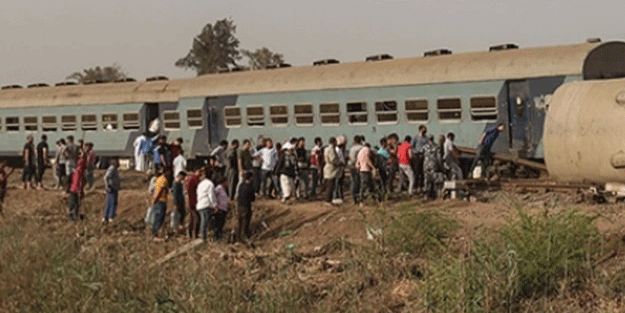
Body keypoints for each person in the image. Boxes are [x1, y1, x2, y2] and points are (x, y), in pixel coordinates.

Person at [421, 135, 446, 199]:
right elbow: (439, 158)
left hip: (426, 165)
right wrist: (441, 166)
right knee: (435, 179)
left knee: (427, 180)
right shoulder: (437, 147)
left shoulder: (424, 147)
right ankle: (436, 194)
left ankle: (426, 195)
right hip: (433, 165)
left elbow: (422, 155)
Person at [196, 167, 216, 241]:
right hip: (206, 204)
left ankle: (202, 235)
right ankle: (203, 236)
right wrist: (215, 205)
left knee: (203, 220)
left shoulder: (201, 184)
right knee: (205, 221)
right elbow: (212, 196)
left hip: (199, 204)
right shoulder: (210, 184)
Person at [151, 167, 169, 240]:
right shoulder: (163, 180)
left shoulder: (158, 179)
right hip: (161, 200)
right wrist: (156, 199)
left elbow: (155, 190)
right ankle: (156, 234)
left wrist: (154, 198)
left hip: (159, 200)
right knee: (159, 217)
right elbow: (160, 190)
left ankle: (156, 233)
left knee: (157, 217)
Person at [236, 171, 255, 242]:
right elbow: (253, 198)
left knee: (239, 223)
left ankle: (238, 238)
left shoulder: (241, 185)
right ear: (250, 178)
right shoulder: (250, 187)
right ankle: (244, 238)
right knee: (245, 223)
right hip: (246, 207)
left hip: (239, 206)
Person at [68, 151, 87, 221]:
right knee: (74, 203)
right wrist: (79, 190)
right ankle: (73, 215)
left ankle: (73, 214)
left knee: (75, 202)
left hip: (74, 188)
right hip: (75, 189)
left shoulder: (78, 170)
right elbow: (78, 181)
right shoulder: (79, 170)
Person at [323, 137, 340, 205]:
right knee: (330, 185)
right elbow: (333, 159)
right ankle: (327, 200)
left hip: (328, 168)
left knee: (329, 185)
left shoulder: (326, 149)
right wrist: (339, 163)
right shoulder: (331, 149)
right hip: (331, 169)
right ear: (333, 142)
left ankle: (328, 199)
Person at [186, 165, 202, 239]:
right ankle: (193, 233)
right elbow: (189, 190)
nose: (200, 173)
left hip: (197, 202)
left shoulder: (198, 180)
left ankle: (193, 233)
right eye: (199, 171)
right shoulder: (192, 180)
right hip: (193, 202)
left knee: (193, 218)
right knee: (196, 218)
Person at [102, 159, 120, 223]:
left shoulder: (113, 169)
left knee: (109, 202)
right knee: (113, 202)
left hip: (113, 188)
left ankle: (105, 216)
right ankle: (111, 217)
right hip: (112, 188)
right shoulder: (112, 169)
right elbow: (106, 177)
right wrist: (108, 185)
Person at [411, 125, 427, 192]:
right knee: (416, 171)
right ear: (420, 130)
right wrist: (415, 153)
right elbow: (412, 146)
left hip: (423, 155)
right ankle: (415, 186)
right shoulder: (415, 137)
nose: (425, 131)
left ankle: (422, 186)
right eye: (423, 130)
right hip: (417, 155)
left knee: (422, 171)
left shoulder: (425, 138)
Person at [348, 135, 363, 204]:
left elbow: (351, 158)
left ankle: (353, 198)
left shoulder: (352, 149)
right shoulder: (362, 148)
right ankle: (359, 197)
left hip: (352, 166)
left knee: (353, 182)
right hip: (359, 167)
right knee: (359, 183)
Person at [333, 135, 347, 203]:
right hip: (338, 168)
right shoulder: (337, 150)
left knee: (340, 183)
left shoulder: (340, 150)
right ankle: (336, 196)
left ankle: (340, 196)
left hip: (341, 168)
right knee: (337, 182)